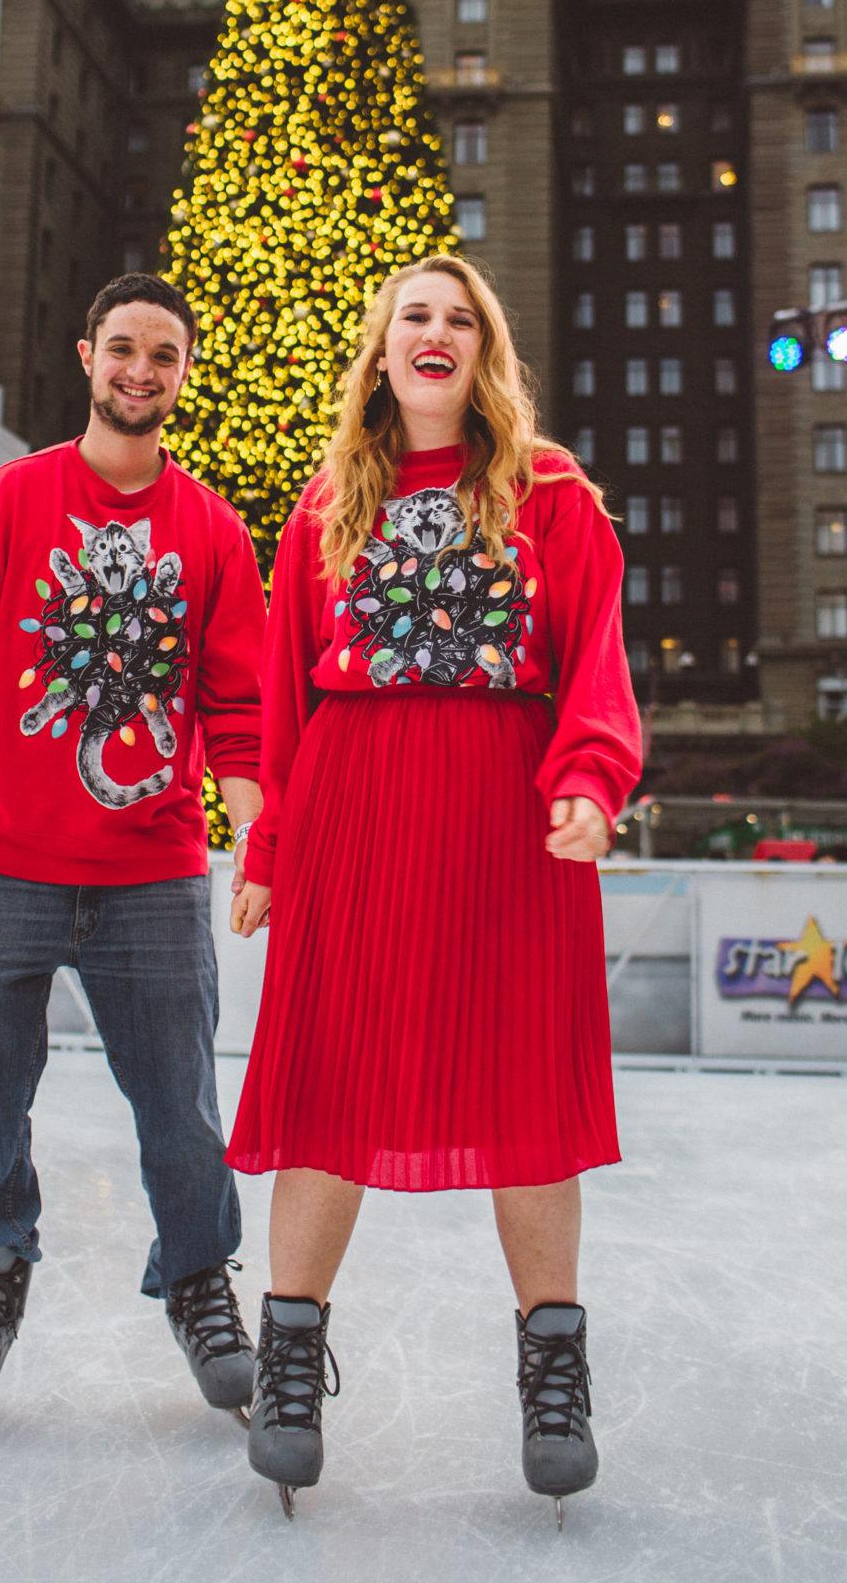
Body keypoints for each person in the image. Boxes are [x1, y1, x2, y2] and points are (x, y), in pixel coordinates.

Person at [226, 255, 641, 1522]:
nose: (438, 331)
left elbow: (596, 665)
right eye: (418, 313)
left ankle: (553, 1368)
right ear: (384, 344)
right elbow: (281, 698)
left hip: (508, 824)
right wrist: (271, 846)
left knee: (525, 1082)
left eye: (463, 319)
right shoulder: (319, 511)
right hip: (356, 816)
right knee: (331, 1077)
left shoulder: (551, 493)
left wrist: (588, 779)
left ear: (484, 352)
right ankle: (289, 1358)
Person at [0, 273, 267, 1439]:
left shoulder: (209, 530)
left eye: (164, 354)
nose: (140, 371)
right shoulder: (6, 504)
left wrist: (256, 832)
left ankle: (200, 1281)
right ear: (86, 356)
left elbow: (240, 709)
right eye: (123, 350)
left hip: (149, 875)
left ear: (184, 373)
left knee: (182, 1113)